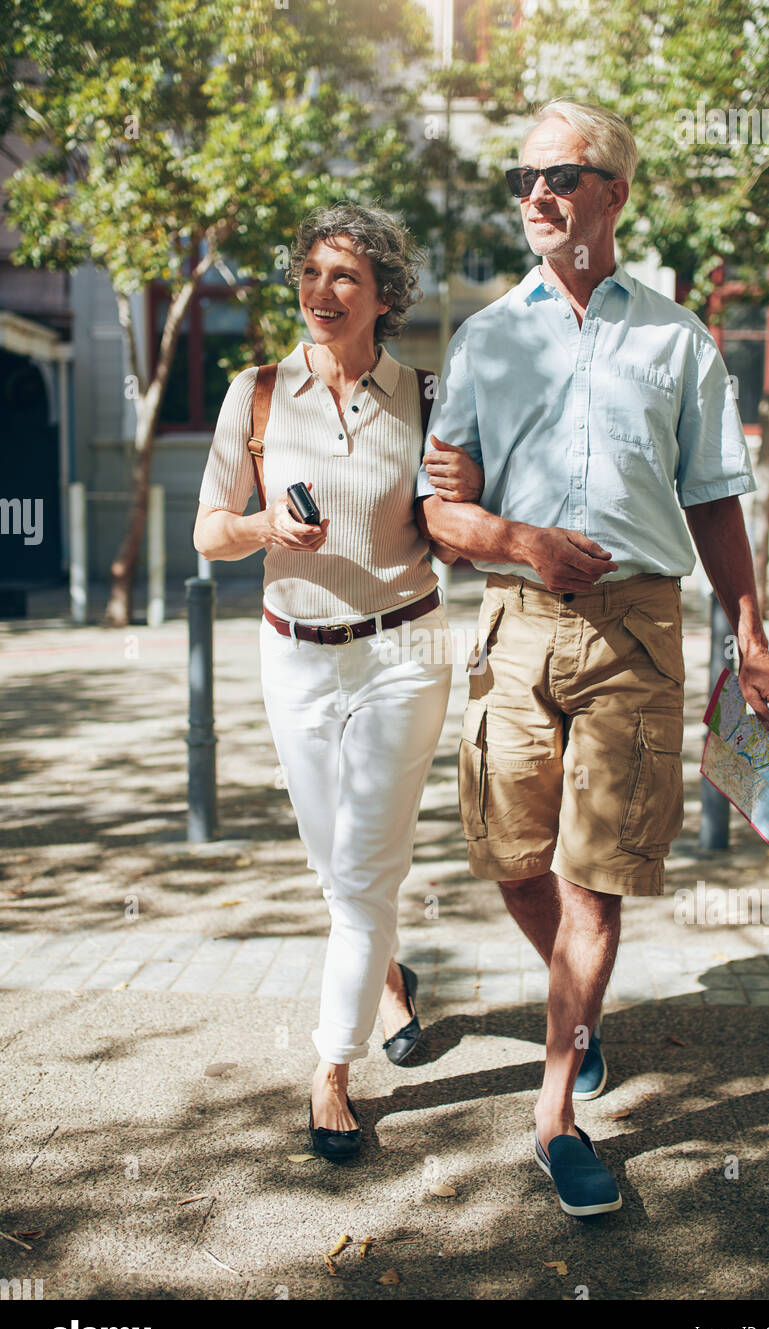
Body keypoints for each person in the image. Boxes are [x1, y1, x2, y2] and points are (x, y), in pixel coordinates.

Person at [416, 100, 769, 1216]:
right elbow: (440, 509)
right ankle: (568, 1003)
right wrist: (514, 540)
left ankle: (556, 1111)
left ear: (614, 194)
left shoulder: (677, 340)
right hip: (516, 625)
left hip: (639, 632)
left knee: (597, 878)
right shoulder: (486, 337)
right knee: (509, 856)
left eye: (562, 175)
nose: (536, 193)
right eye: (522, 176)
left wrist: (752, 637)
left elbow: (714, 497)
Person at [193, 203, 480, 1162]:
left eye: (345, 277)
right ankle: (389, 975)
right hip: (295, 651)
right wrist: (265, 527)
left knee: (361, 875)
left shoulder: (427, 395)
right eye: (311, 273)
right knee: (337, 867)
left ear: (385, 296)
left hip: (407, 651)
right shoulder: (258, 395)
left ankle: (331, 1070)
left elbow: (455, 523)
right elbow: (207, 530)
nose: (323, 292)